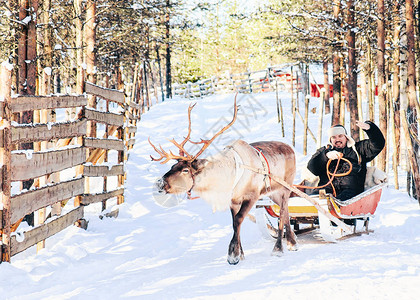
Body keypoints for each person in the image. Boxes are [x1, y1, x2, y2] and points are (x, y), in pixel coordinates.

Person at [307, 120, 385, 201]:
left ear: (346, 137)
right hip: (325, 188)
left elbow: (378, 144)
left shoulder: (359, 149)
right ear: (330, 140)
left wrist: (370, 129)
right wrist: (326, 157)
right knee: (312, 200)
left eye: (340, 136)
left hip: (350, 191)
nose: (337, 140)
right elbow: (312, 168)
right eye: (334, 137)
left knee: (339, 201)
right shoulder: (324, 151)